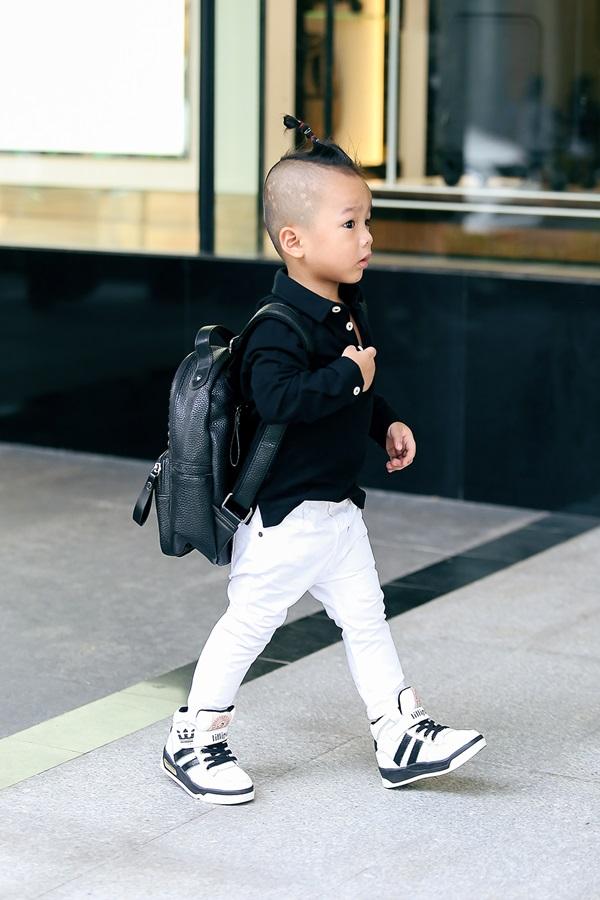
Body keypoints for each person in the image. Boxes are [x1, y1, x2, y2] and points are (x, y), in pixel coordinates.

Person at [161, 115, 486, 804]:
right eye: (349, 224)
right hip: (283, 518)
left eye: (368, 222)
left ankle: (398, 732)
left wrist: (385, 420)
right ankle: (193, 736)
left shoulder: (343, 310)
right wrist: (349, 376)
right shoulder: (277, 327)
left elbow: (351, 389)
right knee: (249, 625)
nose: (366, 238)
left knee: (366, 620)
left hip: (336, 512)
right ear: (294, 241)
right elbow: (280, 398)